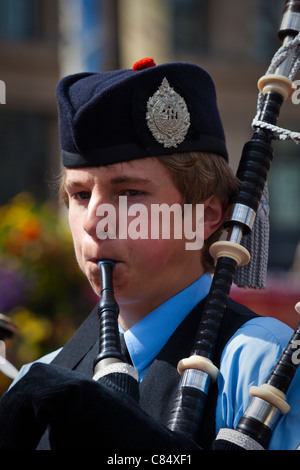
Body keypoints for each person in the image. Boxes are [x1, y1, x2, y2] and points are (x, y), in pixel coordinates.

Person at [0, 58, 299, 451]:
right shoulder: (40, 376)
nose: (94, 222)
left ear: (205, 216)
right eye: (80, 195)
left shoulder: (258, 361)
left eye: (129, 194)